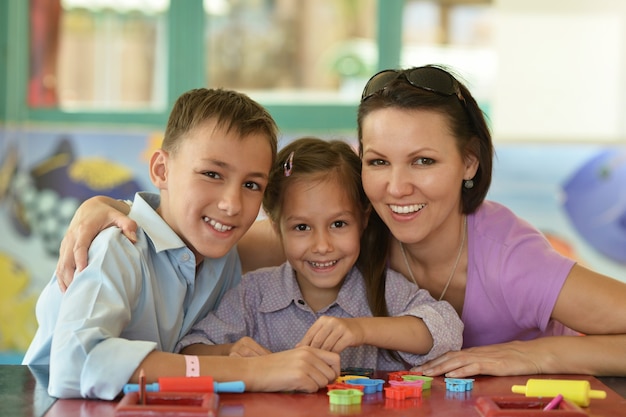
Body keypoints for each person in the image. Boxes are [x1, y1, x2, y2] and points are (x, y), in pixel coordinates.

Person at [55, 65, 626, 378]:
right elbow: (219, 229)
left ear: (469, 162)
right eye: (378, 162)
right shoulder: (359, 233)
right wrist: (118, 210)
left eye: (424, 161)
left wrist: (534, 355)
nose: (397, 187)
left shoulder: (508, 258)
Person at [22, 88, 339, 400]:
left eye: (251, 184)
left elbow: (330, 231)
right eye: (212, 174)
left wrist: (226, 354)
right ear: (161, 170)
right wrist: (256, 371)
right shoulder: (118, 247)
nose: (232, 204)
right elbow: (75, 363)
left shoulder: (223, 254)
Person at [177, 137, 463, 369]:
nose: (322, 245)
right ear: (277, 229)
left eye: (338, 224)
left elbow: (448, 329)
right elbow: (189, 349)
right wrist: (230, 353)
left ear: (363, 220)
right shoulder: (254, 294)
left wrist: (360, 330)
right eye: (302, 227)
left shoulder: (385, 290)